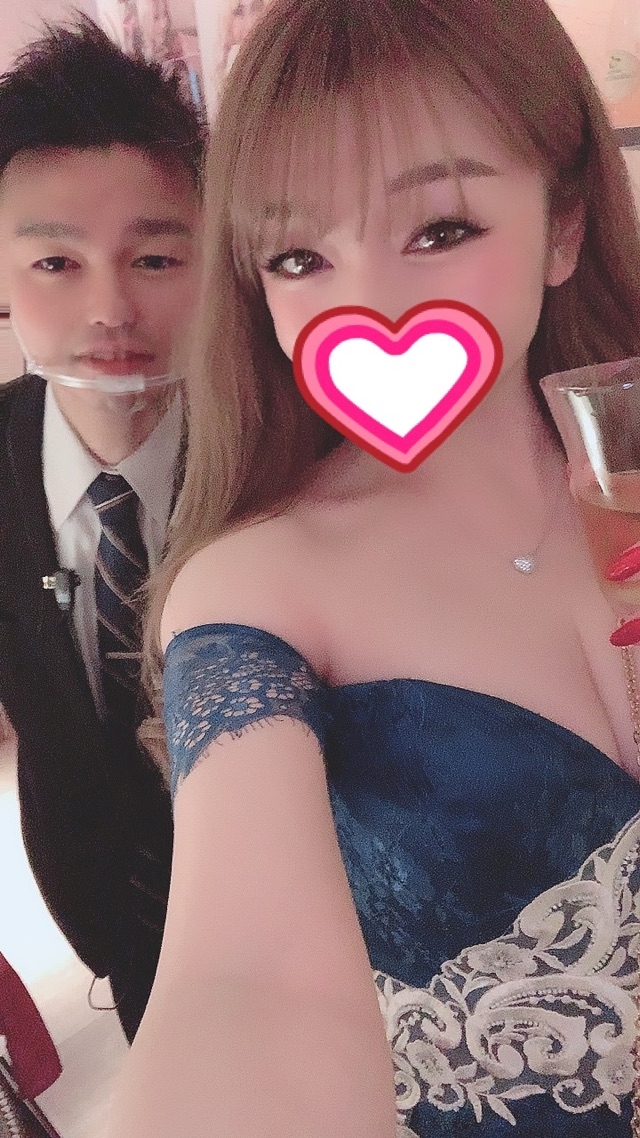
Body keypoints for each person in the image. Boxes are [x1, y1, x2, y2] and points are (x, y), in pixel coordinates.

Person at [106, 0, 640, 1133]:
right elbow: (247, 982)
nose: (369, 305)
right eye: (300, 256)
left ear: (565, 225)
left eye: (439, 228)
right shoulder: (257, 586)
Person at [0, 15, 205, 1043]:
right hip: (104, 909)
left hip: (321, 909)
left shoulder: (291, 456)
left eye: (155, 258)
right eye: (56, 263)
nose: (111, 308)